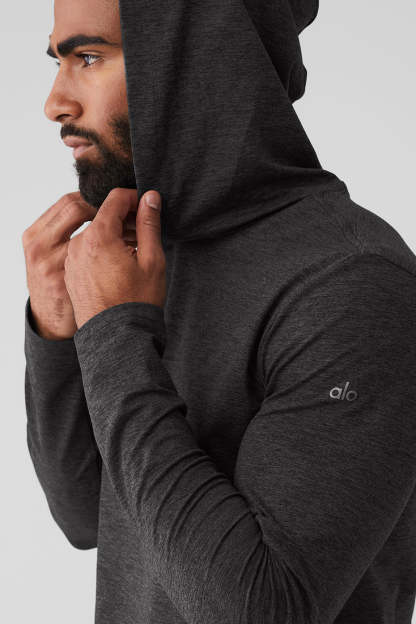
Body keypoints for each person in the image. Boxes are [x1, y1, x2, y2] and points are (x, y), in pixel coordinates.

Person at [22, 0, 416, 622]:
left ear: (194, 58)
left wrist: (113, 335)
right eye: (58, 62)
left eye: (89, 57)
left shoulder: (352, 283)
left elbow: (263, 610)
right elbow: (83, 514)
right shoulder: (142, 259)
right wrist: (57, 330)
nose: (55, 104)